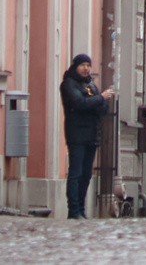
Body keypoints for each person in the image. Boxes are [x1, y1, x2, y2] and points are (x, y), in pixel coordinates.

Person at [60, 54, 113, 219]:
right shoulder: (69, 84)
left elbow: (101, 108)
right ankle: (73, 210)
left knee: (86, 174)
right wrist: (100, 98)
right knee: (76, 173)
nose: (86, 68)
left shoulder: (90, 84)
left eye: (88, 65)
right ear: (75, 66)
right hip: (77, 134)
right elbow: (79, 103)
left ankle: (81, 210)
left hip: (92, 135)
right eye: (83, 65)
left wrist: (102, 101)